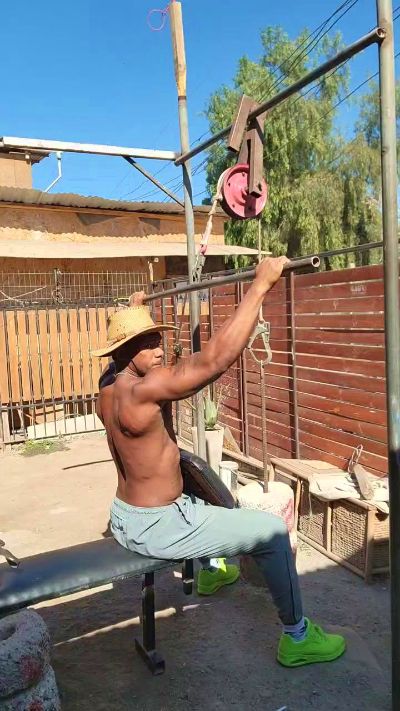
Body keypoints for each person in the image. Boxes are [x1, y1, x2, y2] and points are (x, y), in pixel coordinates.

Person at [93, 257, 345, 668]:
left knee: (203, 487)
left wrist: (134, 314)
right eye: (148, 343)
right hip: (157, 525)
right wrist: (260, 285)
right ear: (125, 350)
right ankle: (297, 637)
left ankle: (212, 569)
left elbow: (115, 366)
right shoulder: (145, 391)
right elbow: (213, 361)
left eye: (157, 339)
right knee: (271, 533)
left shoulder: (107, 390)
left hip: (125, 514)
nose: (159, 349)